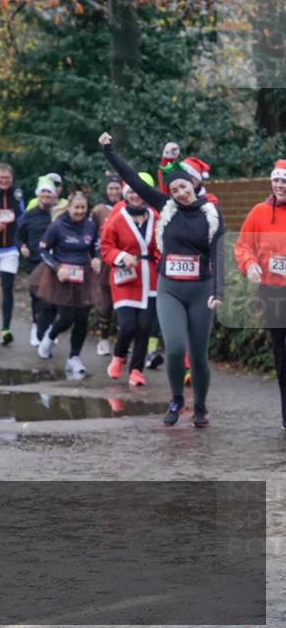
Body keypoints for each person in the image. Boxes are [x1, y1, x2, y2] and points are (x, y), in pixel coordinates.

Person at [100, 132, 224, 427]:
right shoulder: (166, 206)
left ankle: (201, 406)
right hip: (169, 288)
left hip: (201, 290)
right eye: (174, 189)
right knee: (176, 346)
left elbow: (220, 255)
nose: (180, 193)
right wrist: (109, 151)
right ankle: (177, 399)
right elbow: (133, 179)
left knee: (197, 354)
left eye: (183, 187)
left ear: (193, 185)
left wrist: (219, 292)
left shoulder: (211, 214)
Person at [234, 159, 286, 429]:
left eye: (285, 181)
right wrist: (251, 264)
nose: (280, 185)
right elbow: (243, 246)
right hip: (273, 290)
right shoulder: (258, 212)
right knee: (281, 351)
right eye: (277, 180)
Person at [100, 176, 160, 386]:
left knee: (144, 327)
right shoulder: (117, 218)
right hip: (125, 278)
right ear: (126, 195)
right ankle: (119, 356)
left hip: (149, 277)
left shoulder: (155, 216)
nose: (135, 196)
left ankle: (136, 370)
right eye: (131, 192)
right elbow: (106, 247)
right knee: (127, 326)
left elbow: (161, 247)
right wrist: (121, 256)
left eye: (139, 192)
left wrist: (161, 263)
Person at [34, 191, 102, 375]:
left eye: (83, 208)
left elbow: (96, 248)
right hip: (61, 276)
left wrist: (97, 260)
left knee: (82, 318)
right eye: (76, 208)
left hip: (84, 276)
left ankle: (74, 357)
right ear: (69, 207)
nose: (80, 211)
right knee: (66, 317)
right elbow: (43, 250)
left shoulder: (90, 226)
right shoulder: (57, 226)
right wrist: (57, 268)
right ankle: (50, 336)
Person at [0, 163, 27, 346]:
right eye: (1, 177)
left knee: (8, 287)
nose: (4, 181)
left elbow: (22, 219)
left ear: (12, 179)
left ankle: (6, 329)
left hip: (10, 249)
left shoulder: (17, 195)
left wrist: (21, 241)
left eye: (7, 177)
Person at [17, 176, 57, 346]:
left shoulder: (58, 215)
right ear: (38, 194)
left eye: (49, 192)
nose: (46, 195)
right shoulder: (29, 215)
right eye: (44, 191)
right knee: (37, 296)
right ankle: (36, 328)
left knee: (53, 298)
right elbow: (18, 235)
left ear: (54, 196)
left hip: (55, 261)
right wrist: (22, 247)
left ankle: (48, 330)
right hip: (35, 260)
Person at [92, 175, 123, 356]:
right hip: (105, 262)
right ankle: (103, 339)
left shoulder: (128, 208)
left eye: (117, 188)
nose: (113, 192)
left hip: (124, 261)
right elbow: (93, 237)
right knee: (106, 303)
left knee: (124, 305)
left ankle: (122, 341)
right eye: (110, 188)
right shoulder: (98, 210)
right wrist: (94, 257)